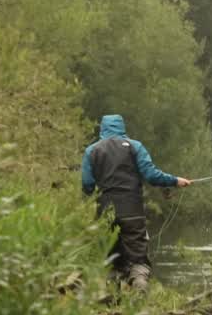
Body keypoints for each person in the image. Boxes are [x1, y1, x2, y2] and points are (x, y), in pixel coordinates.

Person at [81, 114, 191, 290]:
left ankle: (111, 301)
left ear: (102, 129)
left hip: (105, 214)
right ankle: (139, 284)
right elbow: (151, 175)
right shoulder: (135, 146)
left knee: (110, 260)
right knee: (138, 260)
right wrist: (175, 181)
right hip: (132, 212)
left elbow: (87, 185)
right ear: (122, 127)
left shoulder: (92, 151)